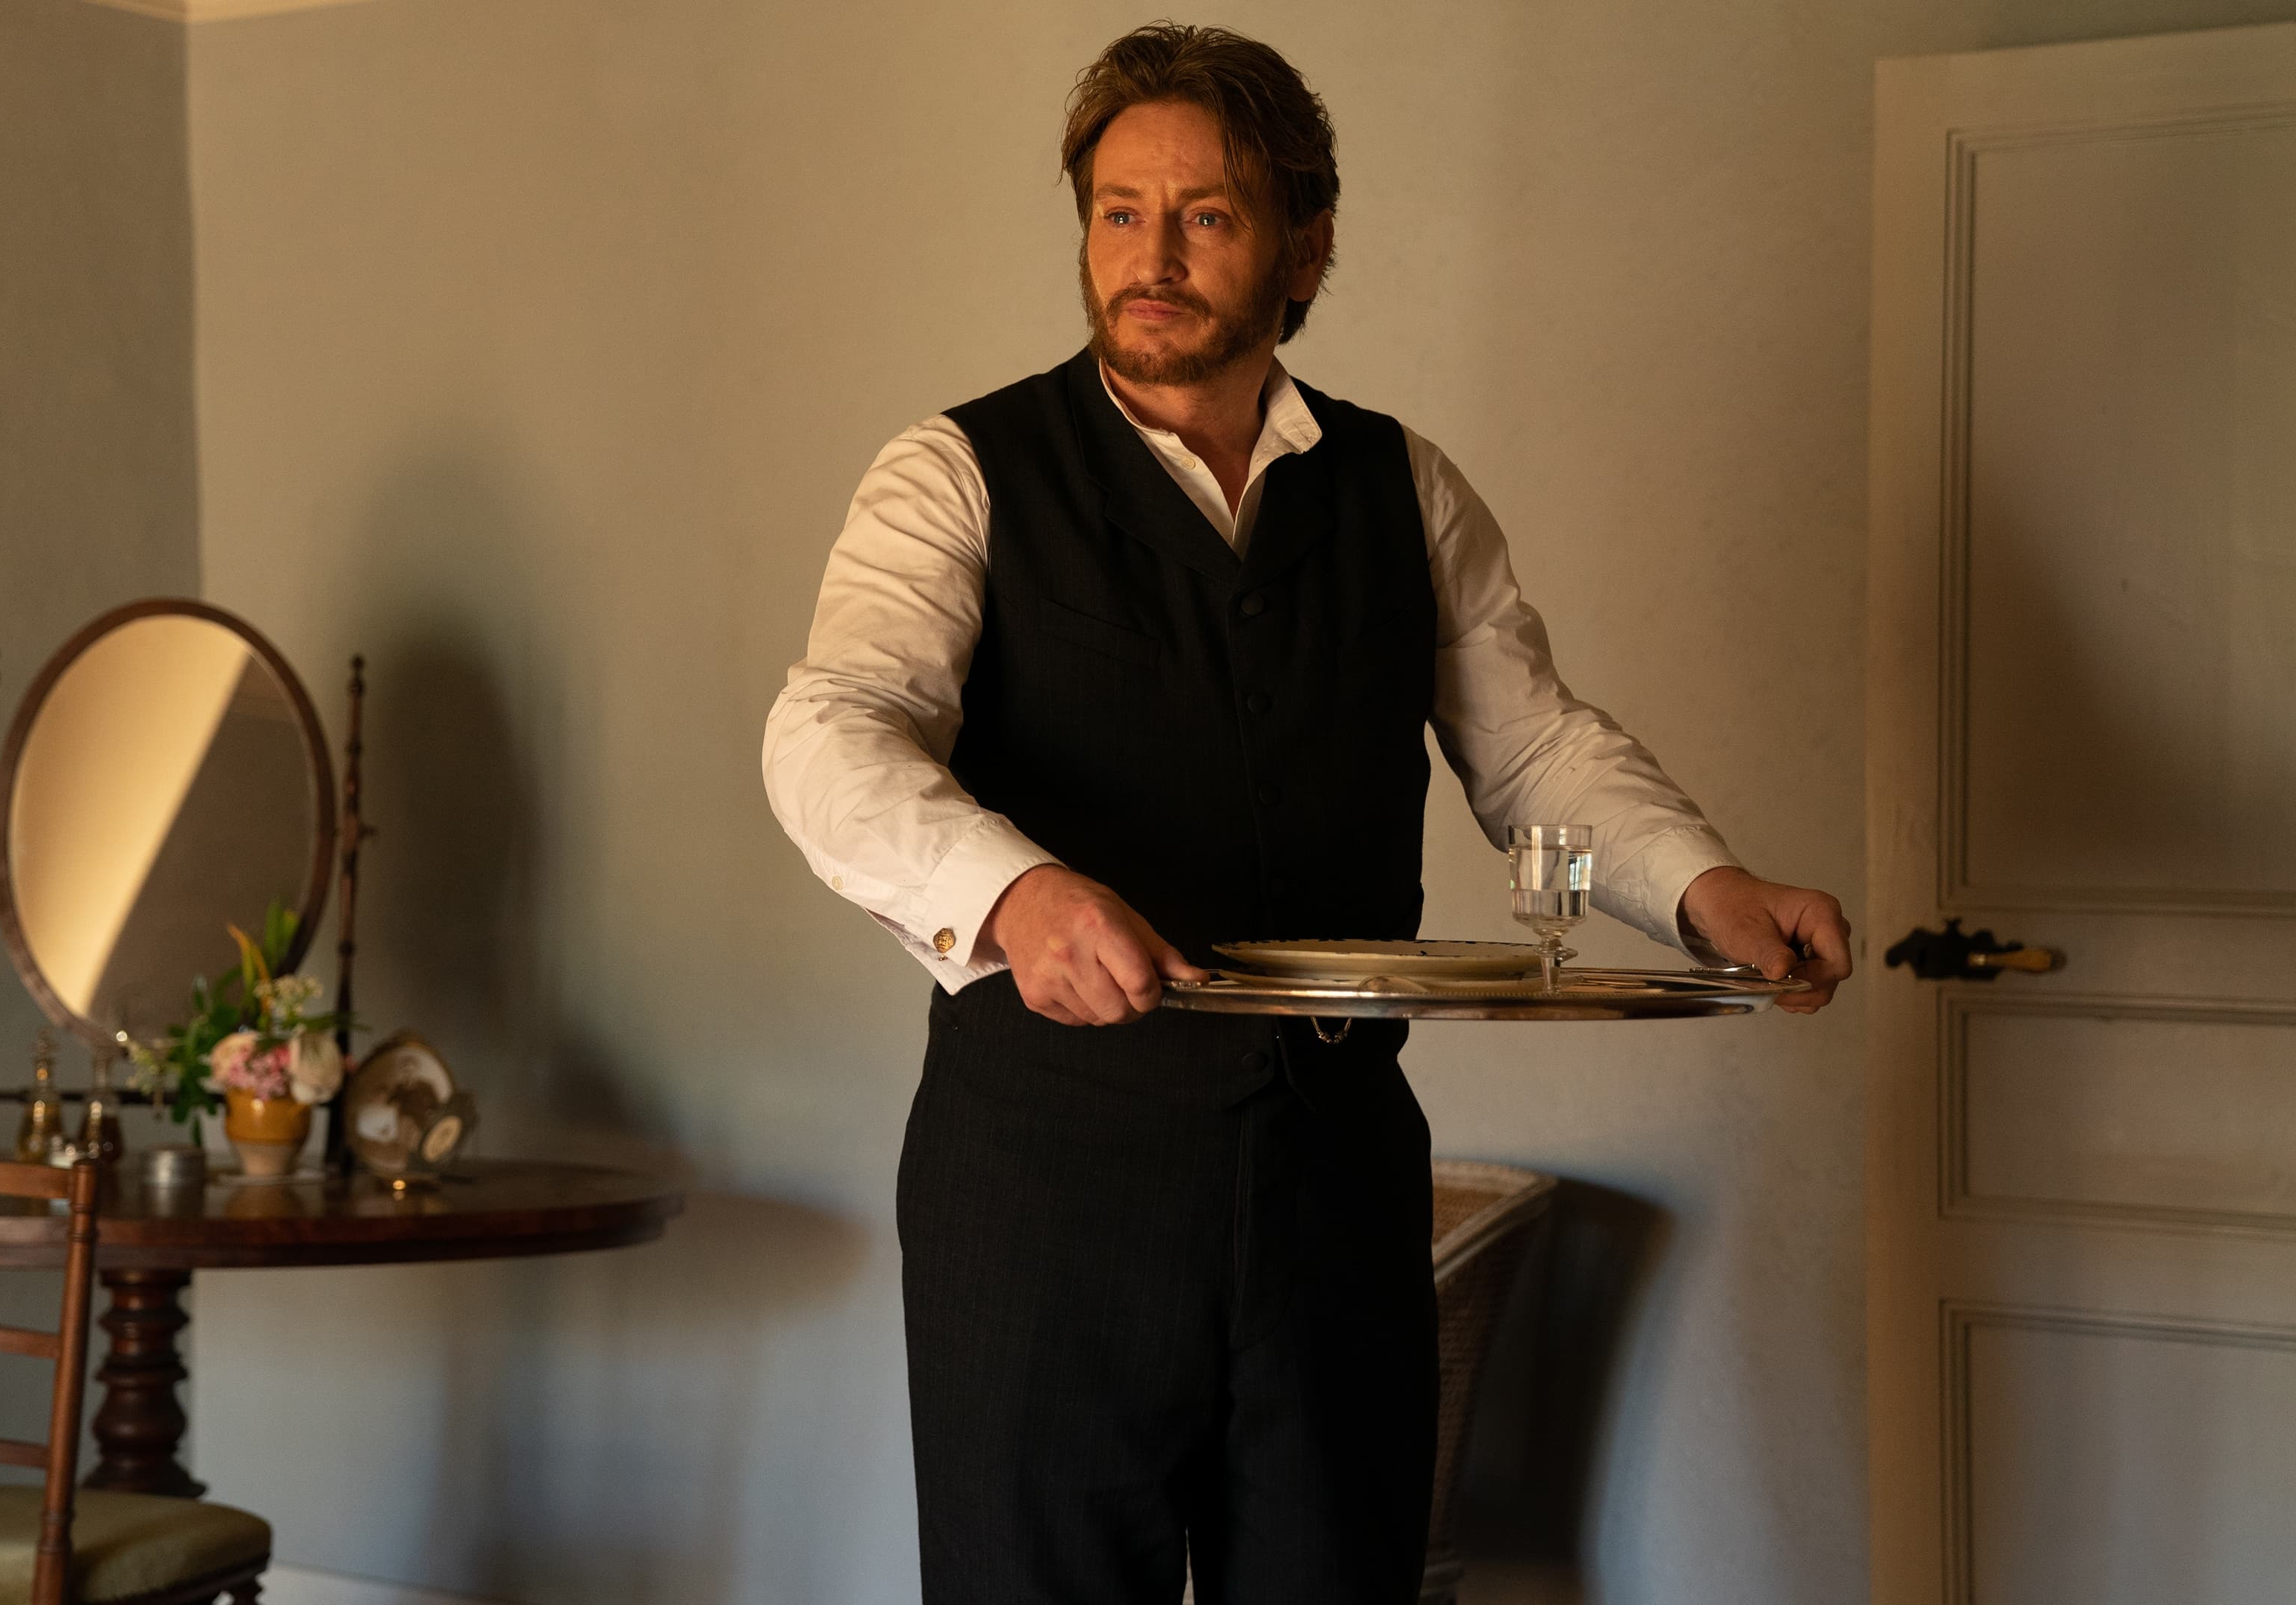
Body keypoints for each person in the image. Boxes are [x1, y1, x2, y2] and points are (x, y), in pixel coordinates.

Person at [761, 22, 1851, 1603]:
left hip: (1334, 1201)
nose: (1149, 257)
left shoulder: (1404, 487)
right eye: (1118, 211)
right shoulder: (956, 474)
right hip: (1048, 1208)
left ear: (1305, 248)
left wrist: (1710, 891)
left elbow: (1536, 747)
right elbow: (831, 732)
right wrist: (1013, 895)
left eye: (1203, 215)